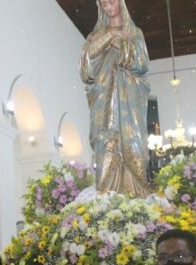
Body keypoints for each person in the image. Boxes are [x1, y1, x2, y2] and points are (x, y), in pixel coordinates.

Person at [80, 0, 150, 197]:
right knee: (104, 141)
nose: (109, 7)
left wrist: (122, 45)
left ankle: (135, 192)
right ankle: (106, 193)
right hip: (102, 97)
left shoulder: (134, 33)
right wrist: (110, 36)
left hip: (129, 98)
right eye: (104, 5)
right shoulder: (95, 36)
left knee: (132, 141)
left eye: (111, 2)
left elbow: (142, 64)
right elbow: (86, 66)